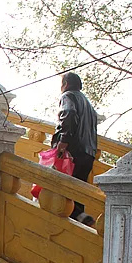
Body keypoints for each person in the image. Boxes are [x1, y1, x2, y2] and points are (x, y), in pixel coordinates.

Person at [51, 72, 98, 227]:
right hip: (88, 153)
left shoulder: (67, 96)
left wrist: (63, 141)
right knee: (77, 191)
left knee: (61, 187)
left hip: (73, 152)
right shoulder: (88, 103)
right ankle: (82, 223)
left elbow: (69, 113)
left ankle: (79, 216)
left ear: (65, 84)